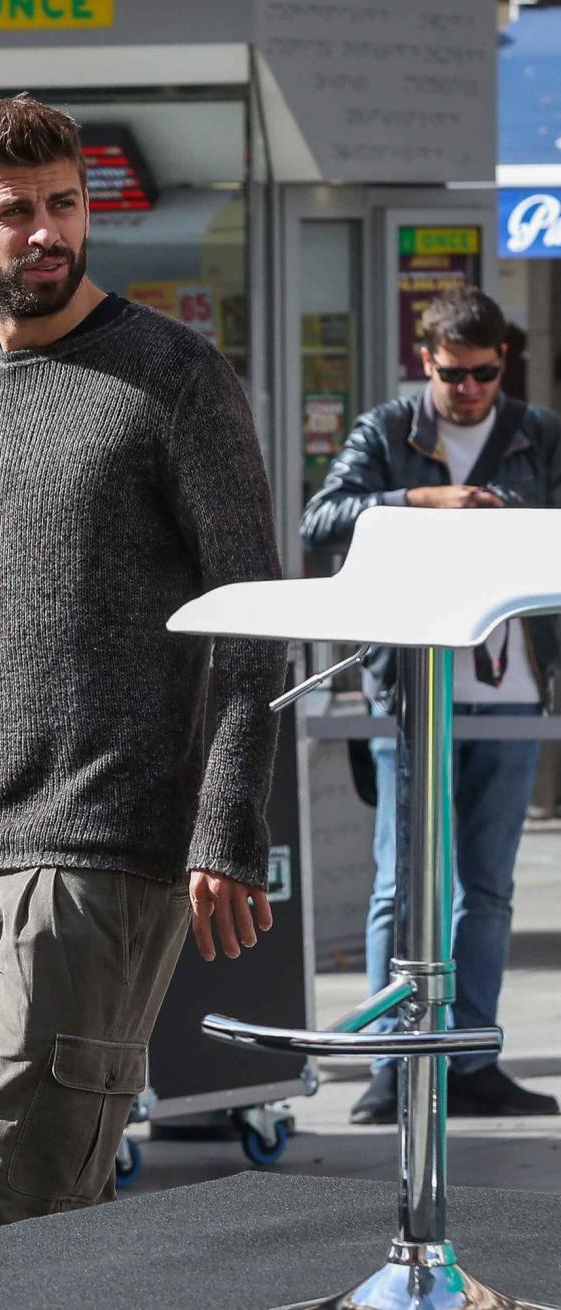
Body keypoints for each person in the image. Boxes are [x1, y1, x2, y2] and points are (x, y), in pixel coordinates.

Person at [0, 94, 286, 1232]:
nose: (45, 231)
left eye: (64, 204)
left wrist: (228, 820)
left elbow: (254, 617)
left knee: (12, 1203)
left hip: (105, 857)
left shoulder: (174, 375)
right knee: (16, 1213)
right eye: (14, 211)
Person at [301, 285, 561, 1125]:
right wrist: (423, 499)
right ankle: (391, 1064)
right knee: (401, 883)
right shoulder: (387, 430)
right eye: (455, 375)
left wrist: (510, 518)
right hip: (411, 683)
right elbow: (322, 518)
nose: (471, 391)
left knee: (485, 887)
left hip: (510, 686)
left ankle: (474, 1056)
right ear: (428, 362)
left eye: (486, 374)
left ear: (503, 365)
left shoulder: (537, 434)